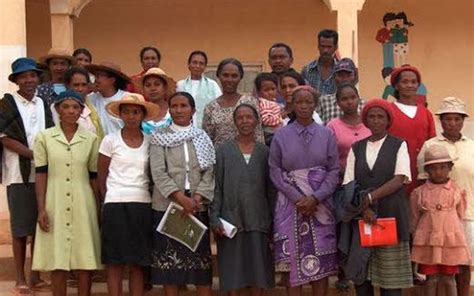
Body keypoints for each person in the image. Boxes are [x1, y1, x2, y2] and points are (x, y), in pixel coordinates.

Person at [270, 86, 339, 296]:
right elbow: (274, 170)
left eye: (309, 102)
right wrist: (299, 198)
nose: (304, 106)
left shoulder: (327, 134)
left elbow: (334, 169)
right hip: (290, 206)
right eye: (299, 102)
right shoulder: (281, 135)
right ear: (291, 105)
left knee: (322, 261)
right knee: (292, 262)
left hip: (321, 206)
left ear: (315, 105)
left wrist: (316, 198)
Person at [31, 91, 102, 296]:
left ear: (81, 111)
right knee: (58, 259)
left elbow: (93, 176)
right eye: (66, 107)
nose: (71, 111)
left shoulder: (90, 139)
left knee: (84, 258)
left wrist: (97, 208)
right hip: (55, 200)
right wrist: (42, 208)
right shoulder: (45, 137)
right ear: (58, 110)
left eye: (75, 107)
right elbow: (41, 174)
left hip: (83, 201)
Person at [343, 99, 413, 296]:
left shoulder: (399, 145)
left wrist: (371, 198)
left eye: (380, 117)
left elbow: (399, 178)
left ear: (388, 120)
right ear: (365, 120)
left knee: (390, 283)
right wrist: (363, 208)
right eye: (371, 117)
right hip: (362, 219)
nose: (376, 121)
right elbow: (349, 184)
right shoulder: (356, 148)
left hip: (391, 217)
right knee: (362, 279)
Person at [149, 92, 215, 296]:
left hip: (196, 207)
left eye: (184, 106)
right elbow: (158, 172)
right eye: (174, 106)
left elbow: (210, 171)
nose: (179, 110)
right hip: (168, 206)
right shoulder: (159, 137)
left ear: (193, 110)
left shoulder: (202, 137)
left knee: (200, 265)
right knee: (171, 268)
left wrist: (195, 199)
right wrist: (181, 198)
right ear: (169, 110)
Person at [0, 58, 53, 295]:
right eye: (24, 77)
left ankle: (36, 276)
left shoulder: (44, 104)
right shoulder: (6, 104)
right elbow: (5, 138)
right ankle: (20, 278)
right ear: (16, 81)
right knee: (21, 229)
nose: (29, 80)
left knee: (39, 225)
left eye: (33, 76)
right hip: (18, 174)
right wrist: (33, 155)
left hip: (43, 174)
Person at [97, 93, 159, 296]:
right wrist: (108, 199)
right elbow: (102, 175)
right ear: (120, 115)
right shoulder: (110, 140)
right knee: (115, 262)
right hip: (115, 204)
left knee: (138, 262)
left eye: (135, 112)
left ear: (142, 115)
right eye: (127, 112)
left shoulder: (151, 141)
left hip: (142, 204)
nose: (131, 116)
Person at [210, 104, 276, 295]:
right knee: (233, 272)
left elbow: (271, 190)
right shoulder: (222, 152)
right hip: (230, 220)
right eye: (240, 118)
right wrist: (214, 217)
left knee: (258, 270)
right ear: (234, 121)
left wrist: (273, 219)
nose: (245, 121)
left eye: (249, 117)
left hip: (258, 219)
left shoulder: (265, 152)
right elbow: (216, 187)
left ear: (256, 121)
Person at [416, 97, 474, 296]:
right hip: (438, 218)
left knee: (465, 263)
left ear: (463, 121)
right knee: (437, 266)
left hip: (468, 214)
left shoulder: (472, 146)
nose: (452, 123)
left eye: (457, 119)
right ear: (441, 121)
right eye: (447, 119)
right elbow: (423, 182)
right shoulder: (429, 145)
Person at [411, 145, 470, 296]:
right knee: (431, 279)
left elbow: (460, 214)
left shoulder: (457, 191)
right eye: (433, 168)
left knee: (449, 278)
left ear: (450, 167)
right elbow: (415, 218)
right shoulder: (419, 193)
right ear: (427, 170)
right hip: (428, 242)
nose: (438, 172)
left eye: (443, 167)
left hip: (449, 243)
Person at [387, 65, 436, 195]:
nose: (410, 85)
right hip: (395, 176)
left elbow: (432, 145)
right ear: (396, 86)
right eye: (405, 82)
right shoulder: (388, 112)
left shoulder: (426, 113)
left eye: (413, 82)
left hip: (422, 176)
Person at [202, 58, 263, 148]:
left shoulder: (251, 103)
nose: (229, 80)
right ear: (218, 76)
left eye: (234, 76)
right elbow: (207, 141)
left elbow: (258, 135)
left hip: (247, 157)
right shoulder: (210, 108)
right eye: (225, 75)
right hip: (220, 159)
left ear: (240, 77)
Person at [327, 83, 371, 174]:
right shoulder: (332, 126)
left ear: (358, 99)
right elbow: (328, 157)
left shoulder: (369, 123)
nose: (349, 102)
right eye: (344, 99)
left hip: (371, 178)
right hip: (342, 180)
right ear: (338, 103)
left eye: (353, 97)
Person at [50, 67, 104, 138]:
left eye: (84, 85)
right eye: (76, 85)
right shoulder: (58, 107)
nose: (80, 89)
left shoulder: (91, 107)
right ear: (67, 86)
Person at [176, 50, 222, 128]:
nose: (197, 66)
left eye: (201, 63)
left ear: (205, 67)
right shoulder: (180, 85)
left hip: (207, 129)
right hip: (184, 129)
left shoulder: (212, 85)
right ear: (188, 65)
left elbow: (219, 106)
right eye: (194, 62)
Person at [85, 61, 131, 135]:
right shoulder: (90, 99)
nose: (96, 79)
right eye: (96, 75)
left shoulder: (126, 99)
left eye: (100, 75)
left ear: (112, 80)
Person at [318, 58, 362, 124]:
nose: (344, 79)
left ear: (355, 77)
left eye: (348, 75)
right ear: (334, 78)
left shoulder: (364, 105)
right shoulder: (323, 102)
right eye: (340, 75)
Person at [301, 29, 339, 96]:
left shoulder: (341, 71)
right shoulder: (307, 70)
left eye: (329, 47)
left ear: (335, 47)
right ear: (318, 46)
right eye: (322, 46)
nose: (325, 50)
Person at [140, 67, 176, 134]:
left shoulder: (174, 110)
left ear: (165, 88)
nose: (152, 88)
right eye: (148, 85)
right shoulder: (139, 112)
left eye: (157, 84)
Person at [254, 72, 283, 145]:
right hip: (269, 133)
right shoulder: (264, 103)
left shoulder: (273, 101)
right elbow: (265, 120)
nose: (270, 92)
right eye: (266, 90)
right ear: (259, 92)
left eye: (273, 89)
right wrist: (280, 117)